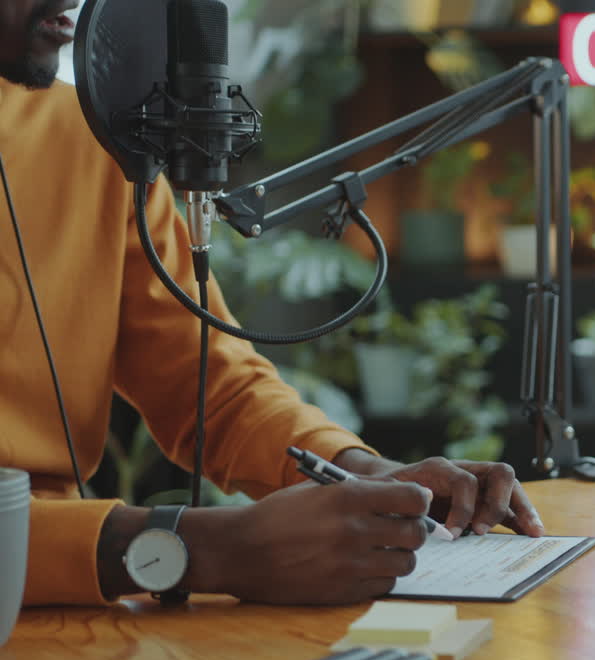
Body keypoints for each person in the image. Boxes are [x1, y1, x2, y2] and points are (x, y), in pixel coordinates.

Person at [0, 0, 543, 608]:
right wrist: (202, 548)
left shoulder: (93, 143)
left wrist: (365, 471)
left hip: (69, 623)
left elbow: (211, 387)